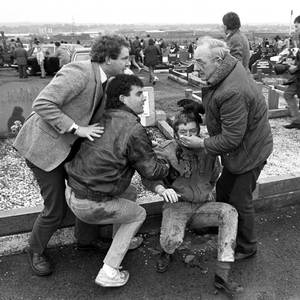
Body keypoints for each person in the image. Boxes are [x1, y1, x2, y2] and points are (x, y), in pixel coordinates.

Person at [13, 35, 131, 276]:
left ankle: (85, 241)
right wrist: (77, 129)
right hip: (44, 148)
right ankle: (35, 249)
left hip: (69, 148)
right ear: (108, 59)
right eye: (125, 58)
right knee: (55, 207)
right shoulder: (79, 71)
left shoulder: (106, 79)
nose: (129, 62)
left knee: (87, 191)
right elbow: (42, 103)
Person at [65, 74, 170, 287]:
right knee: (138, 214)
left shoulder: (103, 116)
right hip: (91, 205)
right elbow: (150, 171)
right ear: (123, 98)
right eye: (139, 94)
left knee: (130, 192)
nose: (143, 99)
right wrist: (170, 164)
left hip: (71, 192)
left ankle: (121, 240)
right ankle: (109, 271)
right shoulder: (133, 128)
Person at [180, 37, 273, 262]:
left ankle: (247, 245)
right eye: (195, 61)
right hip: (242, 150)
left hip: (250, 153)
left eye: (201, 62)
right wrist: (201, 108)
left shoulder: (233, 90)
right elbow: (219, 103)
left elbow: (231, 138)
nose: (196, 67)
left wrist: (201, 144)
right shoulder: (226, 71)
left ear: (218, 59)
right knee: (223, 189)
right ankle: (219, 223)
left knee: (241, 200)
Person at [143, 110, 243, 295]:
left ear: (199, 131)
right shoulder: (166, 150)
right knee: (171, 240)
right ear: (175, 133)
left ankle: (222, 275)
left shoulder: (209, 149)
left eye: (192, 131)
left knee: (230, 212)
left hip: (203, 206)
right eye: (183, 132)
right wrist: (162, 189)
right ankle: (167, 251)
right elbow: (149, 176)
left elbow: (215, 175)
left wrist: (205, 192)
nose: (188, 136)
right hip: (177, 206)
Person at [283, 15, 300, 129]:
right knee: (288, 94)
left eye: (297, 26)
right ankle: (297, 121)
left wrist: (295, 67)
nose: (295, 29)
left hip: (298, 74)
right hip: (297, 76)